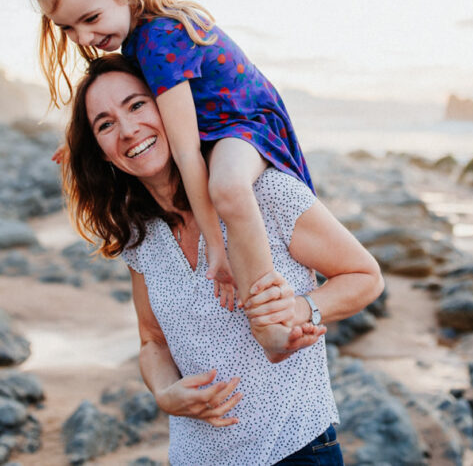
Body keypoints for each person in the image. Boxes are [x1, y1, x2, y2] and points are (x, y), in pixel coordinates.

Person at [63, 54, 384, 465]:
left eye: (137, 104)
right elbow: (152, 341)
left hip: (297, 449)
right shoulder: (139, 237)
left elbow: (365, 275)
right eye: (105, 124)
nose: (127, 130)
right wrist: (165, 393)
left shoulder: (259, 192)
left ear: (171, 107)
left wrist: (303, 308)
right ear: (103, 153)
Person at [33, 0, 316, 359]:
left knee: (226, 186)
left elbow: (186, 151)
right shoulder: (138, 36)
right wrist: (81, 141)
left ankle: (271, 321)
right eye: (68, 28)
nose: (84, 39)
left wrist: (216, 250)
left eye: (90, 19)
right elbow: (131, 100)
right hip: (222, 127)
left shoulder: (159, 39)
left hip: (247, 123)